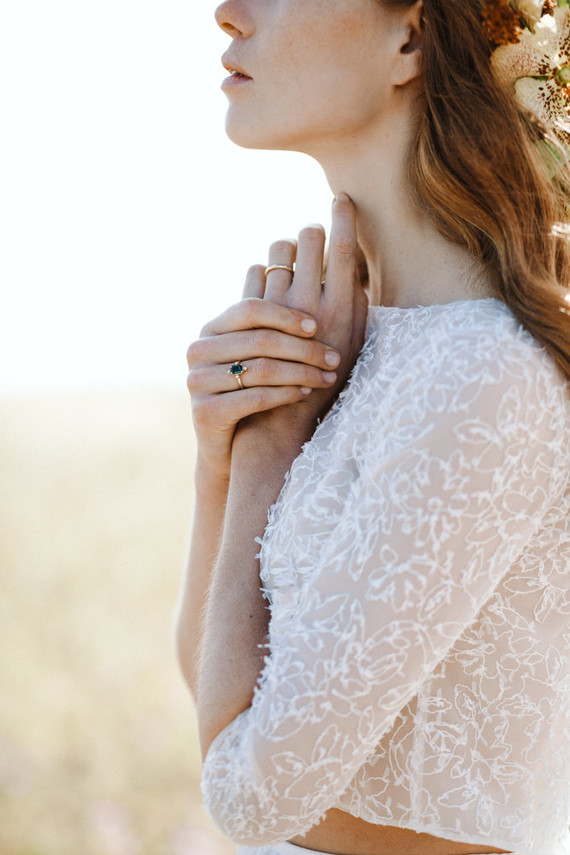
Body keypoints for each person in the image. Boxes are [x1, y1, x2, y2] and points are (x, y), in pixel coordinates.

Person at [174, 1, 570, 854]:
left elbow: (247, 793)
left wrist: (270, 453)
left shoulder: (482, 374)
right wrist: (225, 450)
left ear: (412, 37)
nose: (228, 13)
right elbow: (214, 688)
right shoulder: (371, 343)